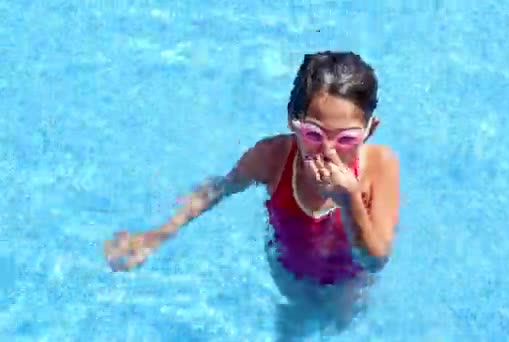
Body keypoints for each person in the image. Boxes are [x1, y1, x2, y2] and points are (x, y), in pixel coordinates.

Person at [104, 51, 400, 335]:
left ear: (369, 130)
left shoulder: (379, 168)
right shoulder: (272, 157)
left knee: (341, 327)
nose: (328, 151)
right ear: (292, 121)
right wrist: (156, 235)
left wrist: (348, 200)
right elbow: (218, 189)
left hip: (346, 283)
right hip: (289, 274)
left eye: (347, 139)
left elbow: (375, 259)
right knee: (291, 327)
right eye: (313, 134)